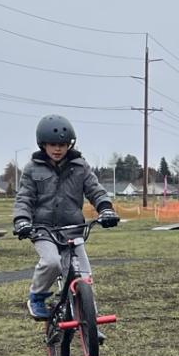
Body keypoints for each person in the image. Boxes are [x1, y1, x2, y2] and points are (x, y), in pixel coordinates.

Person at [12, 114, 120, 319]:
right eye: (53, 144)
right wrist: (22, 221)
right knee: (52, 262)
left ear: (70, 144)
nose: (58, 149)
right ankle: (37, 296)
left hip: (73, 228)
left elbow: (95, 190)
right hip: (43, 230)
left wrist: (105, 208)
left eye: (63, 144)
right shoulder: (32, 169)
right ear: (43, 144)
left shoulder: (80, 166)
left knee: (85, 274)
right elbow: (24, 198)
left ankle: (90, 321)